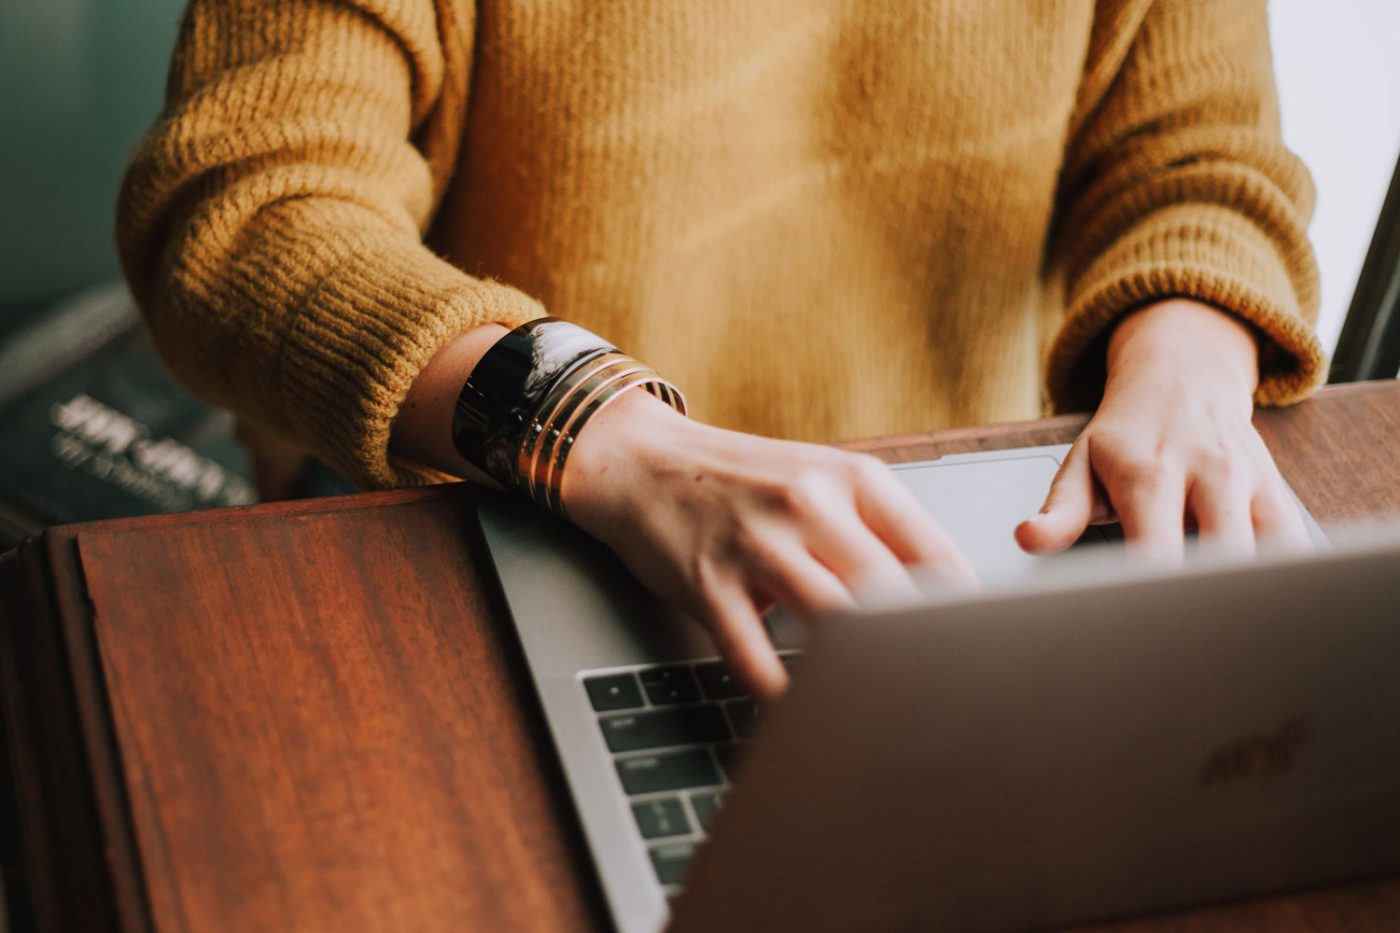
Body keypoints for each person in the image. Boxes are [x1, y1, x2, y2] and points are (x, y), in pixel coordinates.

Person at [117, 0, 1324, 699]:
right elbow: (245, 204)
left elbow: (1197, 158)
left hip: (942, 547)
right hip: (491, 513)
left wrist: (1189, 360)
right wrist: (602, 431)